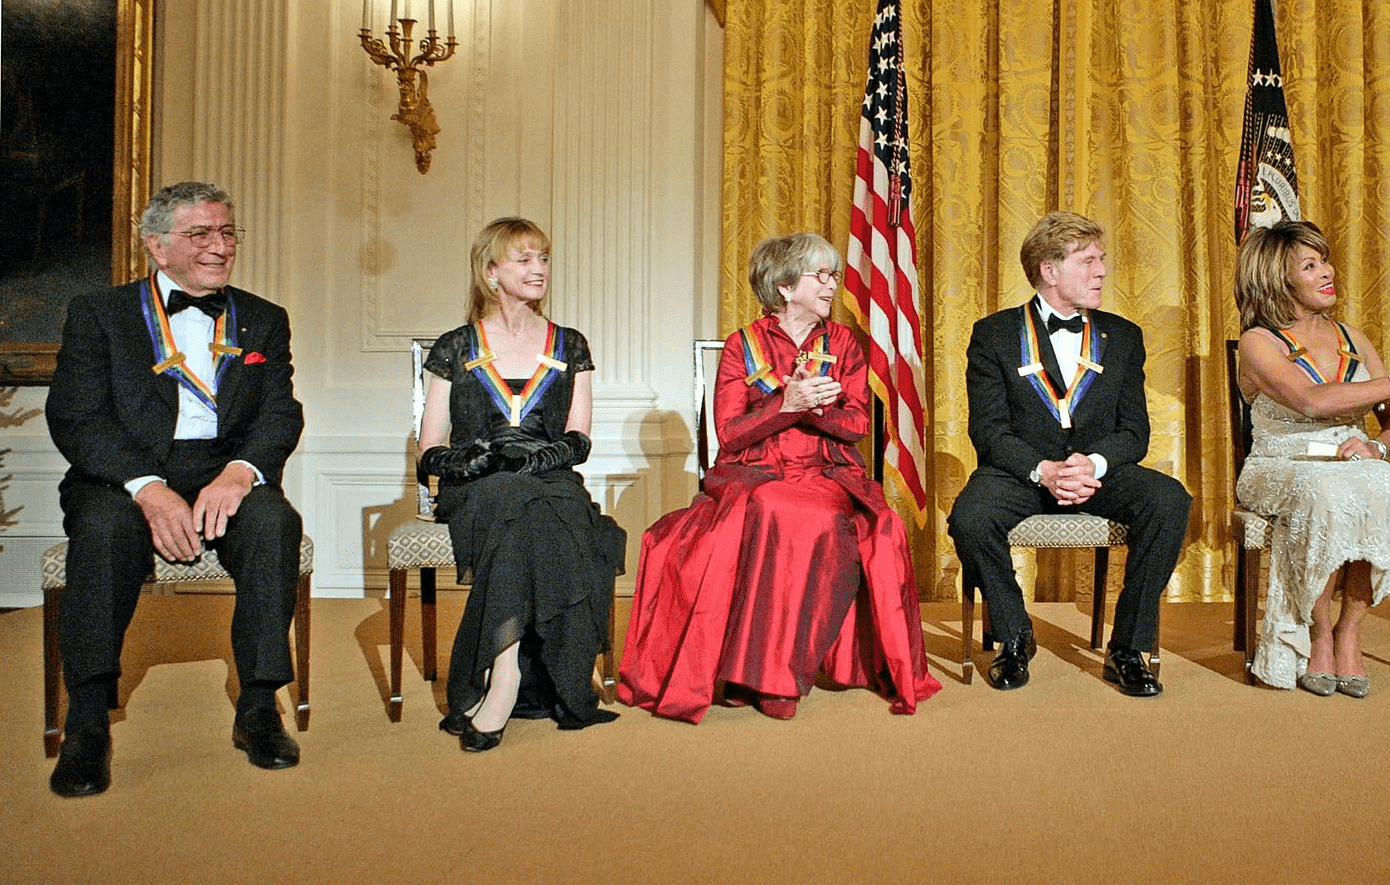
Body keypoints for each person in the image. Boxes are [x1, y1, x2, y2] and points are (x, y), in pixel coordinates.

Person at [44, 182, 306, 796]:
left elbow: (280, 413)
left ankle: (260, 706)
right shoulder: (98, 313)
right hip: (123, 474)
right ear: (157, 248)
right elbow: (77, 417)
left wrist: (243, 472)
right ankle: (87, 722)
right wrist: (147, 487)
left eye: (227, 232)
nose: (220, 247)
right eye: (200, 235)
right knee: (105, 529)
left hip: (223, 468)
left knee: (274, 523)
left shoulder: (264, 319)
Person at [617, 232, 939, 723]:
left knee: (807, 517)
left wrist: (816, 412)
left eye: (833, 274)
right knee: (767, 509)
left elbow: (856, 426)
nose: (832, 285)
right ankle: (753, 675)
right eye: (821, 275)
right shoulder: (742, 345)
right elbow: (729, 434)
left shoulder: (844, 343)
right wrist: (785, 406)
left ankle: (776, 677)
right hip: (753, 471)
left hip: (825, 470)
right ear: (786, 287)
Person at [949, 212, 1192, 697]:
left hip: (1096, 473)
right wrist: (1044, 470)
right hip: (1021, 473)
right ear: (1049, 270)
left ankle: (1127, 648)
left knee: (1170, 501)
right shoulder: (993, 335)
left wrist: (1093, 464)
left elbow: (1134, 432)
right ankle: (1014, 634)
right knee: (971, 516)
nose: (1102, 270)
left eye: (1101, 260)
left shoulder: (1123, 336)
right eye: (1088, 261)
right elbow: (989, 431)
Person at [417, 218, 627, 751]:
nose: (539, 270)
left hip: (551, 482)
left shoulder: (571, 344)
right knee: (515, 499)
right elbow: (430, 447)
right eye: (524, 260)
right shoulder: (453, 347)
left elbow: (579, 438)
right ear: (491, 273)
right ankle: (509, 675)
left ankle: (500, 673)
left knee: (533, 503)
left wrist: (544, 455)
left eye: (544, 259)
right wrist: (481, 458)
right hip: (476, 486)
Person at [1232, 222, 1390, 695]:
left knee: (1383, 481)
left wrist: (1377, 447)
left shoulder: (1353, 338)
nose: (1328, 272)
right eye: (1310, 266)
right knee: (1327, 490)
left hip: (1351, 464)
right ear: (1278, 280)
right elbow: (1312, 400)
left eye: (1325, 260)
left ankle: (1349, 629)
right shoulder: (1259, 342)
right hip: (1278, 463)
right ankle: (1316, 634)